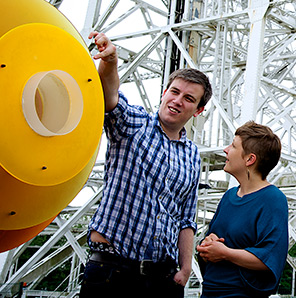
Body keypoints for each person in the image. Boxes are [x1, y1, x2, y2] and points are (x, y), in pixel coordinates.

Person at [79, 32, 212, 297]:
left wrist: (185, 269)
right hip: (112, 271)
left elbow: (186, 217)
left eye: (188, 98)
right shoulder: (134, 124)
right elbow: (110, 99)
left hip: (162, 278)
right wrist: (110, 62)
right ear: (164, 93)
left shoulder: (191, 155)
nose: (177, 100)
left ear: (198, 111)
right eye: (174, 91)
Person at [196, 121, 289, 298]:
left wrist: (225, 253)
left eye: (233, 146)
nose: (225, 149)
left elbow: (270, 257)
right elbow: (211, 244)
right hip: (209, 291)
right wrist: (208, 243)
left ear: (250, 159)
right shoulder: (228, 196)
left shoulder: (273, 199)